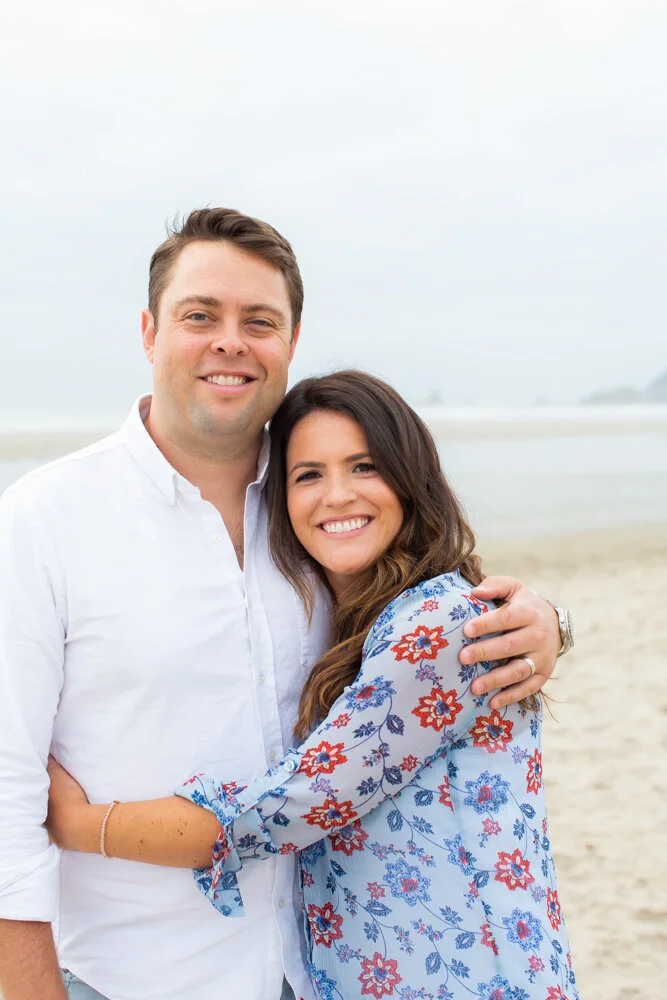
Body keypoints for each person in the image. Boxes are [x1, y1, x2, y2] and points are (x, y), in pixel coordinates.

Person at [0, 209, 571, 1000]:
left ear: (290, 343)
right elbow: (4, 793)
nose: (229, 340)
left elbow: (412, 658)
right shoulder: (44, 519)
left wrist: (547, 623)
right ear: (148, 331)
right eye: (200, 315)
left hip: (316, 977)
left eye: (258, 320)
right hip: (132, 978)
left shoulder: (314, 518)